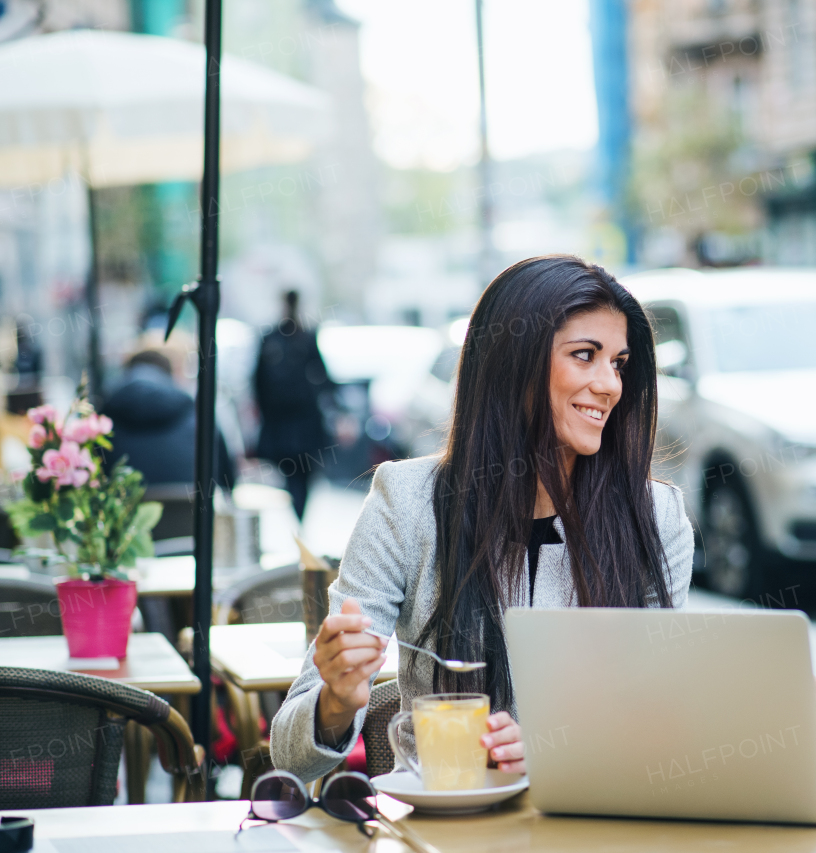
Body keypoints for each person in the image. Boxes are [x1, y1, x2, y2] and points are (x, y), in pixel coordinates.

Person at [270, 255, 695, 782]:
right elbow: (291, 757)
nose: (610, 384)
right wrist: (335, 701)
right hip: (448, 826)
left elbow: (658, 720)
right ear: (512, 364)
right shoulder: (406, 502)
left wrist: (552, 752)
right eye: (585, 356)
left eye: (619, 363)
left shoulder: (656, 516)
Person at [102, 349, 236, 492]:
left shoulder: (101, 425)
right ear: (170, 376)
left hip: (125, 512)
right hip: (192, 512)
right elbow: (228, 481)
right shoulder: (200, 419)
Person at [253, 290, 333, 521]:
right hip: (287, 422)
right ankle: (298, 517)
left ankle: (298, 517)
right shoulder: (276, 339)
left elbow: (322, 376)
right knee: (295, 476)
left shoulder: (301, 338)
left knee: (299, 475)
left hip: (298, 422)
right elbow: (258, 382)